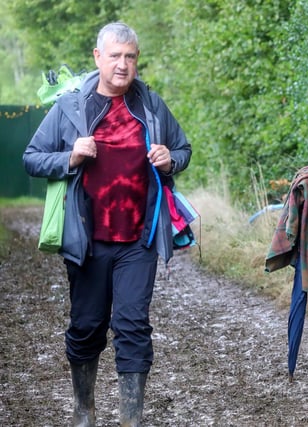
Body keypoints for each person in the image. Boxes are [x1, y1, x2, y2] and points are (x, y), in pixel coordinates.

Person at [23, 22, 191, 425]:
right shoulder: (69, 107)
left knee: (133, 325)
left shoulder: (150, 103)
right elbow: (31, 157)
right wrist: (69, 158)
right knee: (86, 327)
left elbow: (183, 149)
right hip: (87, 241)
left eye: (130, 56)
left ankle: (130, 419)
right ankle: (84, 412)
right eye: (114, 55)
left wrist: (172, 159)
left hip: (139, 239)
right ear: (97, 58)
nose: (123, 64)